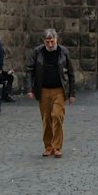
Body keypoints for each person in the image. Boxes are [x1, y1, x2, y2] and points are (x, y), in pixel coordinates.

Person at [27, 28, 77, 157]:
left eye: (52, 41)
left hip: (59, 89)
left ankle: (57, 146)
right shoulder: (38, 52)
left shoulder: (63, 52)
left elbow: (71, 73)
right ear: (44, 41)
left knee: (57, 116)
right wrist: (30, 89)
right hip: (43, 90)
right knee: (46, 119)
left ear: (56, 40)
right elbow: (30, 71)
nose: (50, 44)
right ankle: (48, 146)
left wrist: (72, 93)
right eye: (47, 42)